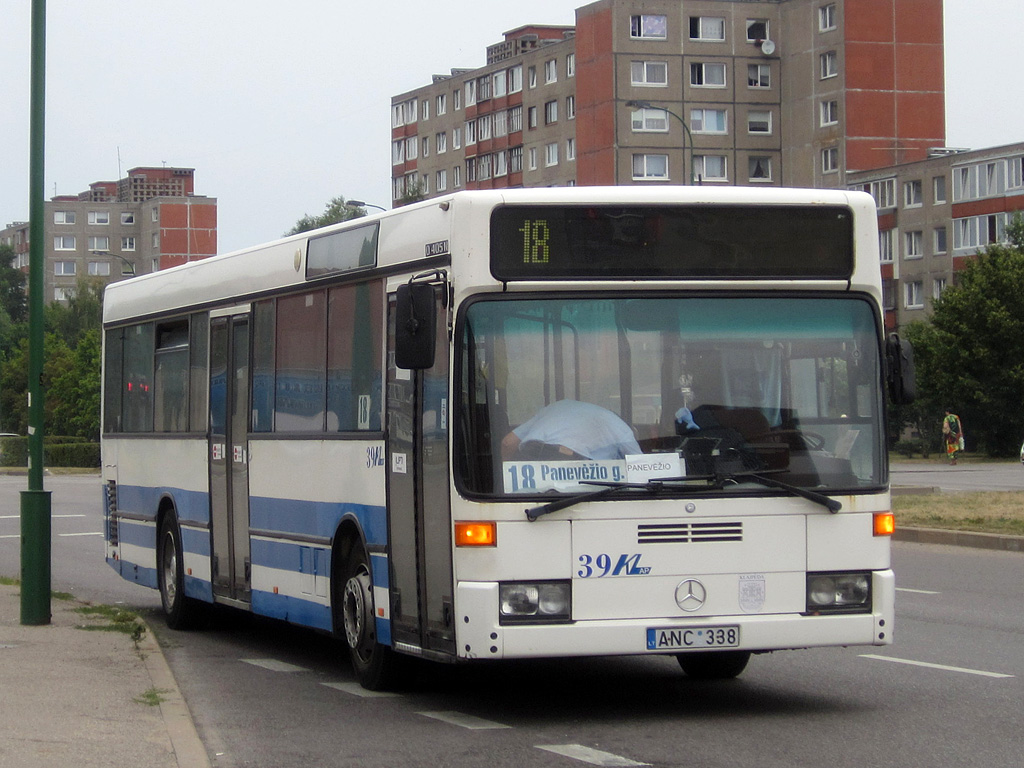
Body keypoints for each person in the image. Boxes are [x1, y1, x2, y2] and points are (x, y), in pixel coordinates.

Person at [501, 399, 641, 461]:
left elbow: (508, 442)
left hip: (531, 453)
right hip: (572, 463)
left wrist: (503, 482)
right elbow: (640, 467)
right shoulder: (622, 429)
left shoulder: (558, 407)